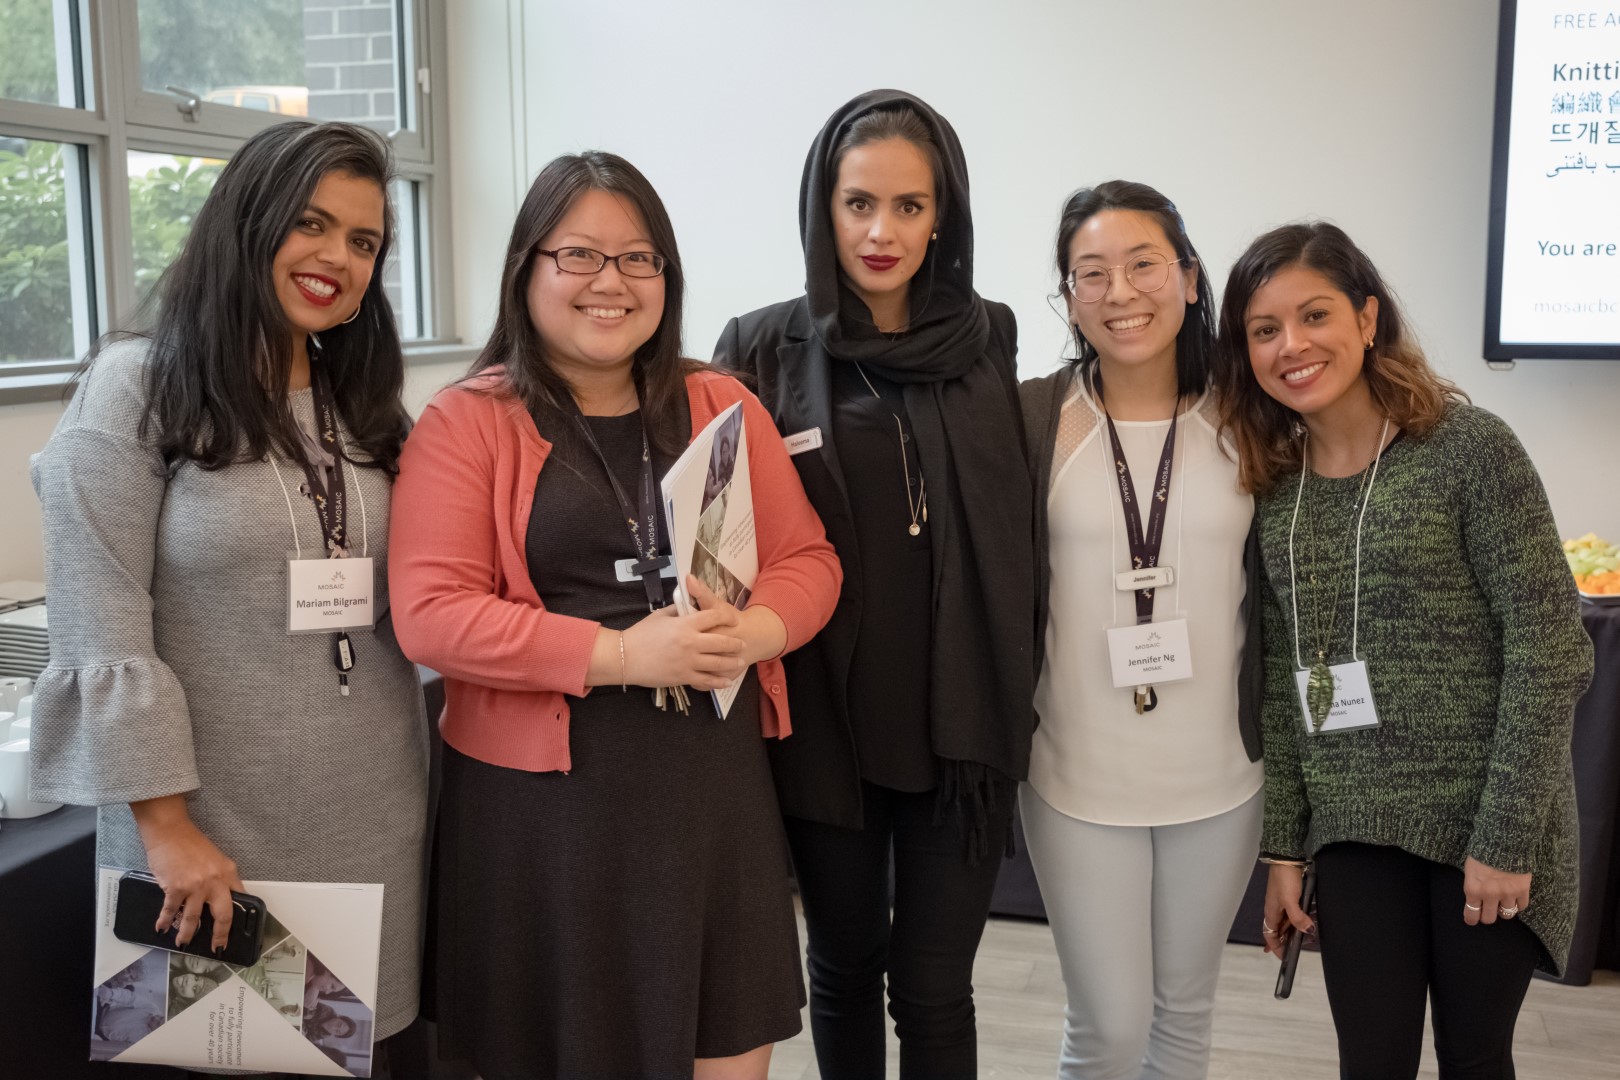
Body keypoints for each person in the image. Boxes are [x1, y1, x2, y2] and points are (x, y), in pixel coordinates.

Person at [389, 150, 841, 1080]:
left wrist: (751, 635)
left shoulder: (721, 403)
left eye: (639, 258)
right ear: (527, 268)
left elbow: (809, 561)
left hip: (710, 800)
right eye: (580, 255)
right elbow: (432, 616)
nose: (612, 282)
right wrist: (626, 656)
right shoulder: (466, 421)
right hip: (542, 822)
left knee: (725, 1049)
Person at [29, 121, 428, 1054]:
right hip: (209, 835)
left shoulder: (361, 400)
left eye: (363, 241)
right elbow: (100, 622)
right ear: (247, 222)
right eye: (310, 223)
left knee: (363, 1050)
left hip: (374, 813)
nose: (337, 258)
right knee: (234, 1055)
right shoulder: (136, 387)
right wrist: (165, 826)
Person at [1215, 222, 1592, 1079]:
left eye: (1314, 315)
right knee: (1370, 1062)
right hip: (1353, 831)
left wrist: (1506, 837)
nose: (1291, 345)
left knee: (1474, 1058)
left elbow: (1550, 651)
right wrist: (1285, 851)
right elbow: (1280, 683)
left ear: (1368, 317)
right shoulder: (1274, 490)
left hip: (1482, 824)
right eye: (1265, 329)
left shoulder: (1469, 450)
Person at [713, 89, 1036, 1079]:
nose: (881, 232)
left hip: (959, 724)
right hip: (826, 726)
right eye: (859, 204)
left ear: (944, 215)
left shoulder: (989, 337)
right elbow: (719, 537)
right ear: (825, 209)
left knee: (935, 990)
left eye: (908, 205)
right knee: (845, 967)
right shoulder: (760, 346)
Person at [1016, 181, 1263, 1079]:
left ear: (1190, 279)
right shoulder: (1032, 419)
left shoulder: (1249, 418)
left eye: (1143, 265)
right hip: (1075, 776)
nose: (1120, 292)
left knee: (1184, 1019)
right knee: (1110, 1029)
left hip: (1221, 779)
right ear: (1069, 296)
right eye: (1092, 273)